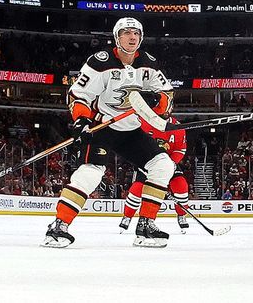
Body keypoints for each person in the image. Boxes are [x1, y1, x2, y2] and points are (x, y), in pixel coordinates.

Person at [43, 17, 175, 248]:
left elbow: (167, 94)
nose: (132, 37)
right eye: (126, 33)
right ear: (117, 37)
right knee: (91, 173)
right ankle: (58, 227)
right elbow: (78, 95)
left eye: (136, 33)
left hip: (132, 129)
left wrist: (156, 101)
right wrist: (82, 121)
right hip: (102, 127)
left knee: (163, 165)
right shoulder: (100, 62)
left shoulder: (149, 64)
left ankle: (146, 225)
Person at [119, 115, 191, 234]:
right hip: (147, 162)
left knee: (181, 186)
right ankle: (127, 216)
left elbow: (180, 150)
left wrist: (169, 166)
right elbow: (134, 145)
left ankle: (181, 215)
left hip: (169, 162)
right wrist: (139, 160)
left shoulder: (177, 126)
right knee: (137, 189)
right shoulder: (143, 122)